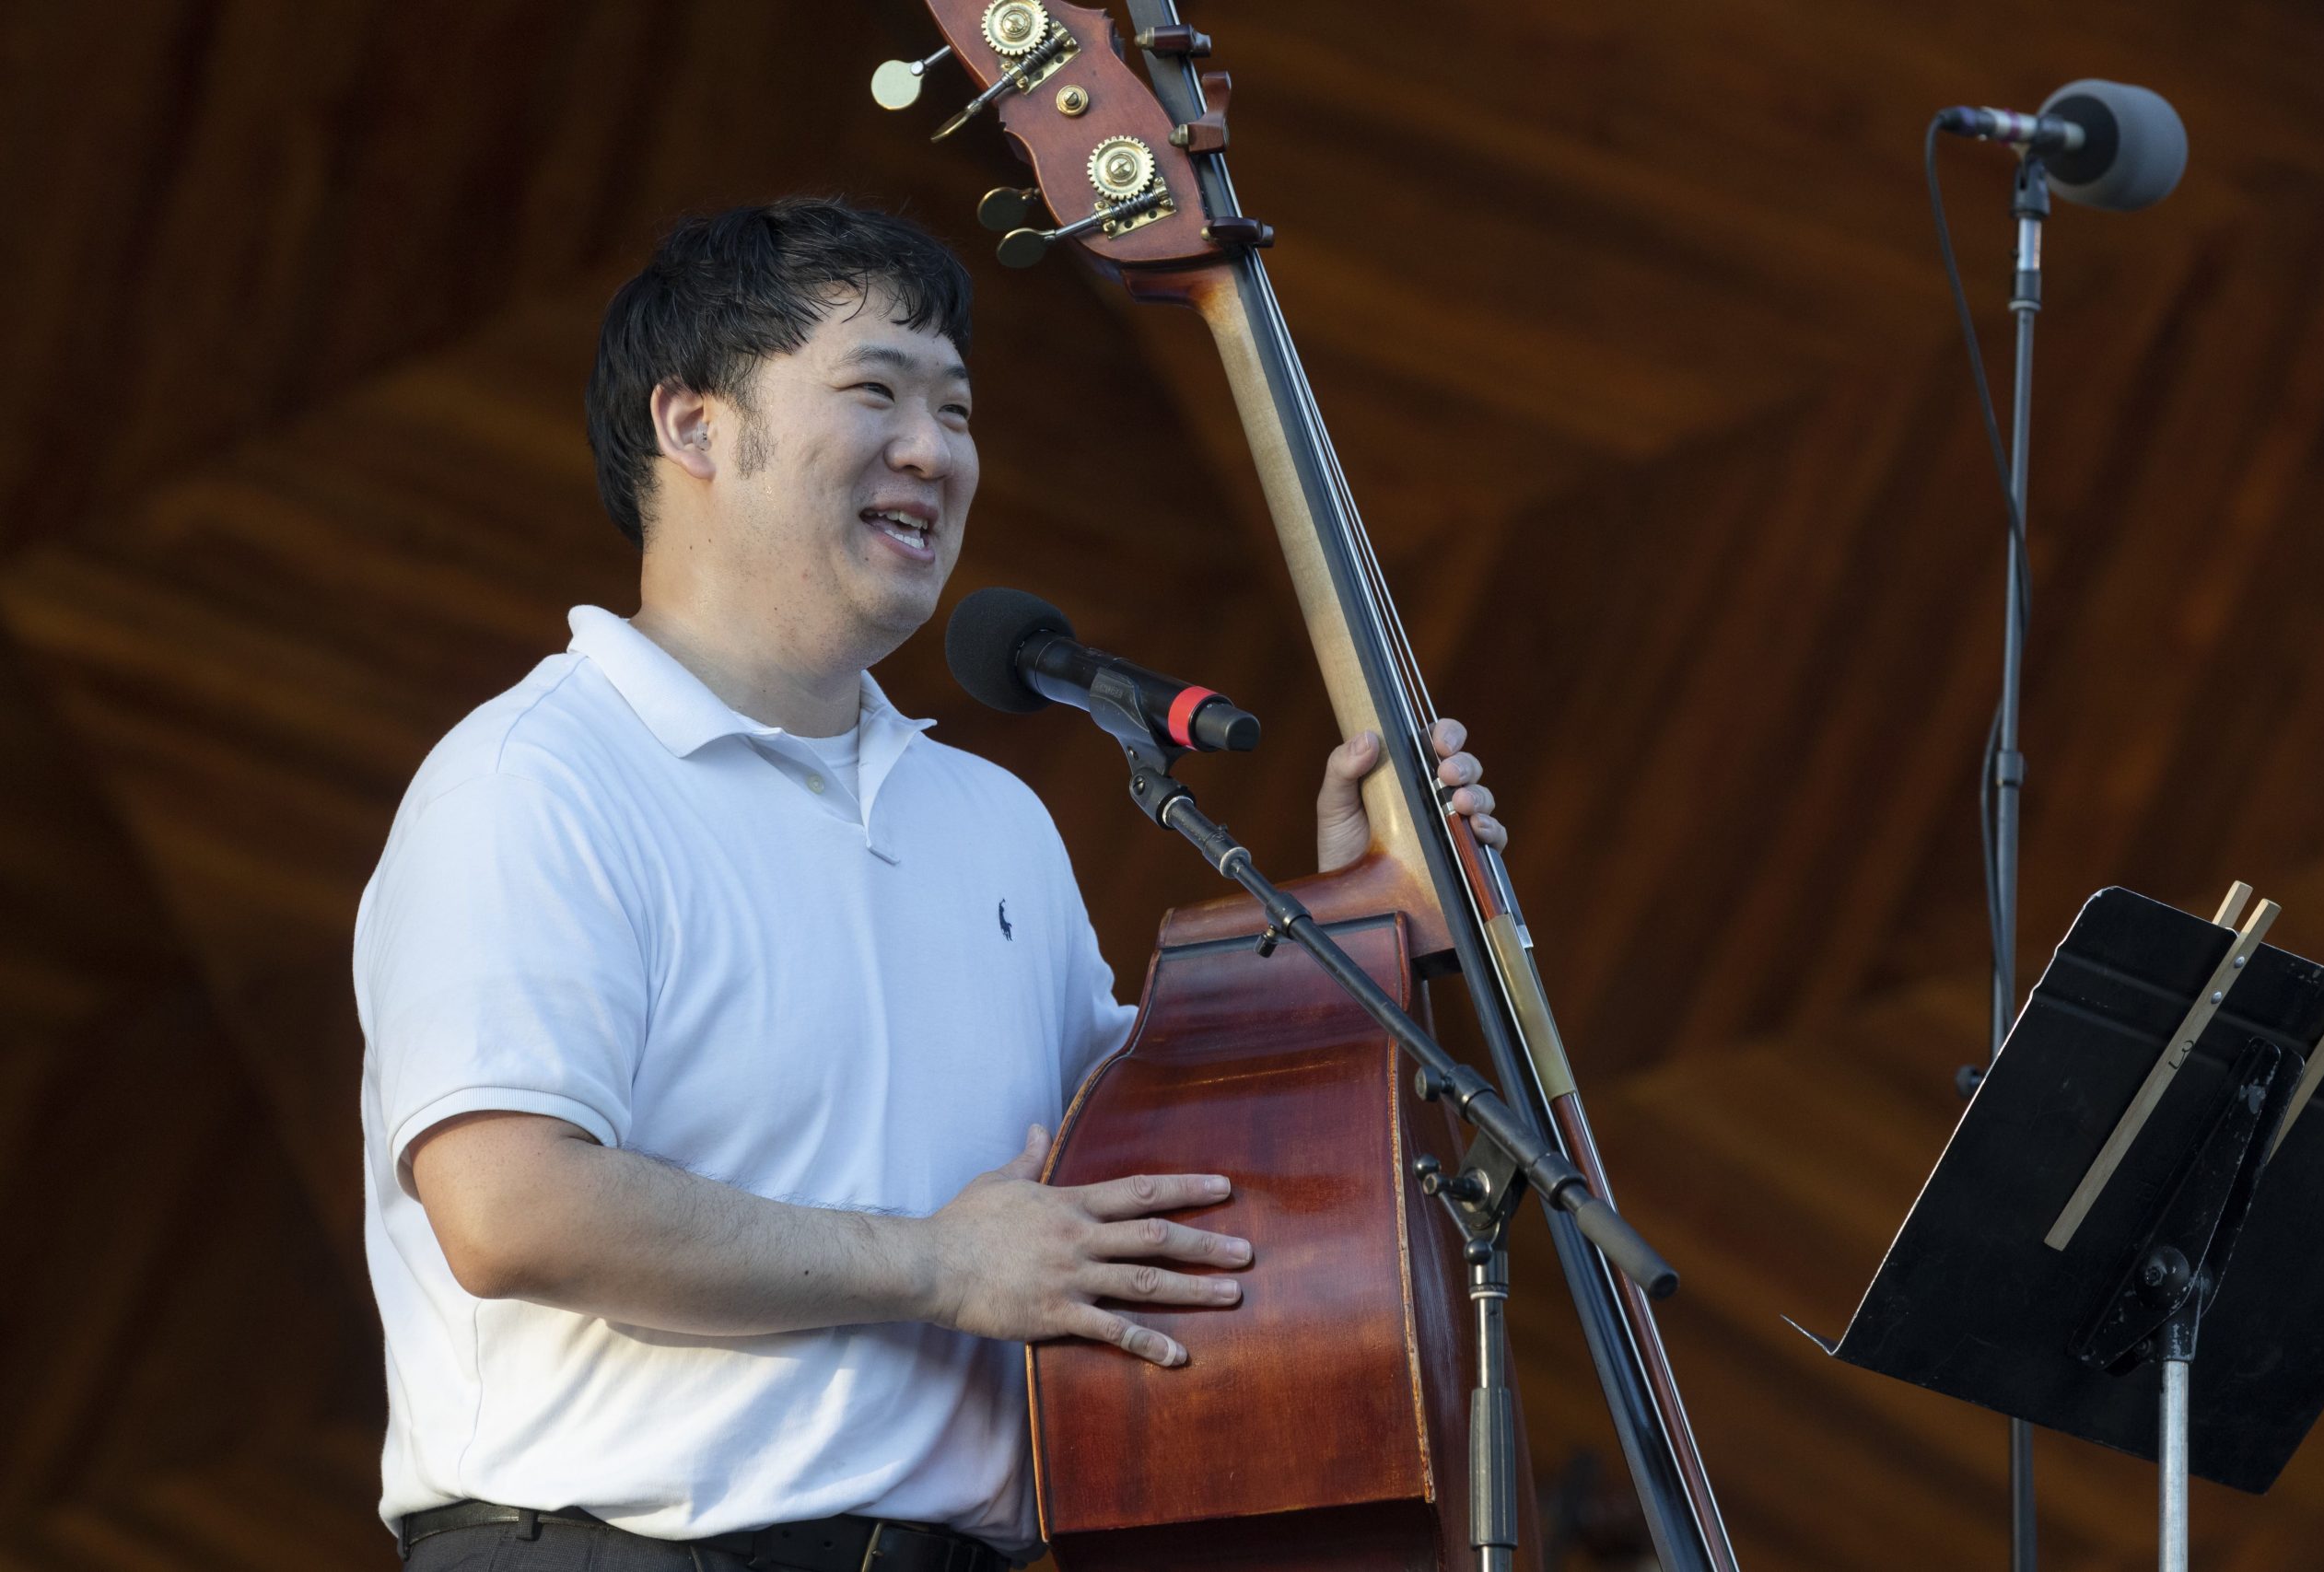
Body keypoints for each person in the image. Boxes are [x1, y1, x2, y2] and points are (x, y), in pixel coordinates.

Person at [357, 197, 1507, 1572]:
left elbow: (1143, 1177)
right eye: (876, 392)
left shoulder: (990, 816)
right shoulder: (537, 776)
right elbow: (511, 1207)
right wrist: (939, 1265)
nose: (934, 448)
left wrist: (1355, 922)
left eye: (956, 409)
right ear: (693, 427)